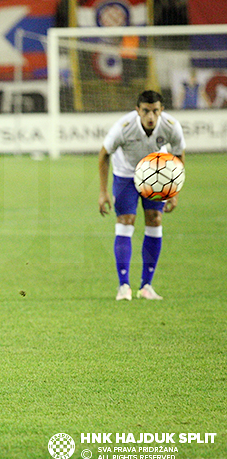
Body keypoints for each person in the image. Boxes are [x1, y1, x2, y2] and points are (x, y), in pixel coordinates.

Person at [98, 90, 186, 301]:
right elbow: (103, 155)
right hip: (126, 175)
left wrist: (174, 191)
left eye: (155, 111)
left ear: (161, 110)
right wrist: (103, 193)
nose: (150, 116)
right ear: (137, 110)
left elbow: (179, 154)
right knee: (126, 221)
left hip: (155, 175)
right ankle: (123, 286)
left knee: (155, 220)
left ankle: (146, 285)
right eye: (146, 111)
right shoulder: (123, 128)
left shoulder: (171, 126)